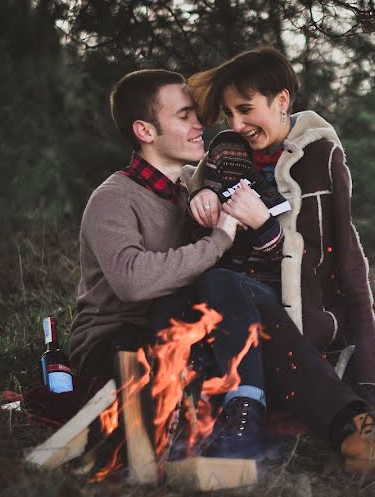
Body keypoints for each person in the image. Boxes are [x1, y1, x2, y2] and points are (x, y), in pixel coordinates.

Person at [184, 47, 375, 478]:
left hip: (300, 321)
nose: (236, 123)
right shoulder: (224, 156)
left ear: (283, 101)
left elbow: (347, 264)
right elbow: (201, 242)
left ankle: (372, 425)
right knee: (222, 281)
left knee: (238, 292)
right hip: (232, 315)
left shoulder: (321, 157)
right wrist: (201, 194)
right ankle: (360, 435)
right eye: (230, 113)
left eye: (247, 109)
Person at [68, 69, 269, 458]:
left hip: (180, 326)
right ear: (145, 131)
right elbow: (133, 281)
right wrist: (219, 240)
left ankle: (246, 413)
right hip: (116, 339)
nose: (200, 124)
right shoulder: (113, 198)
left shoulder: (190, 195)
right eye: (185, 115)